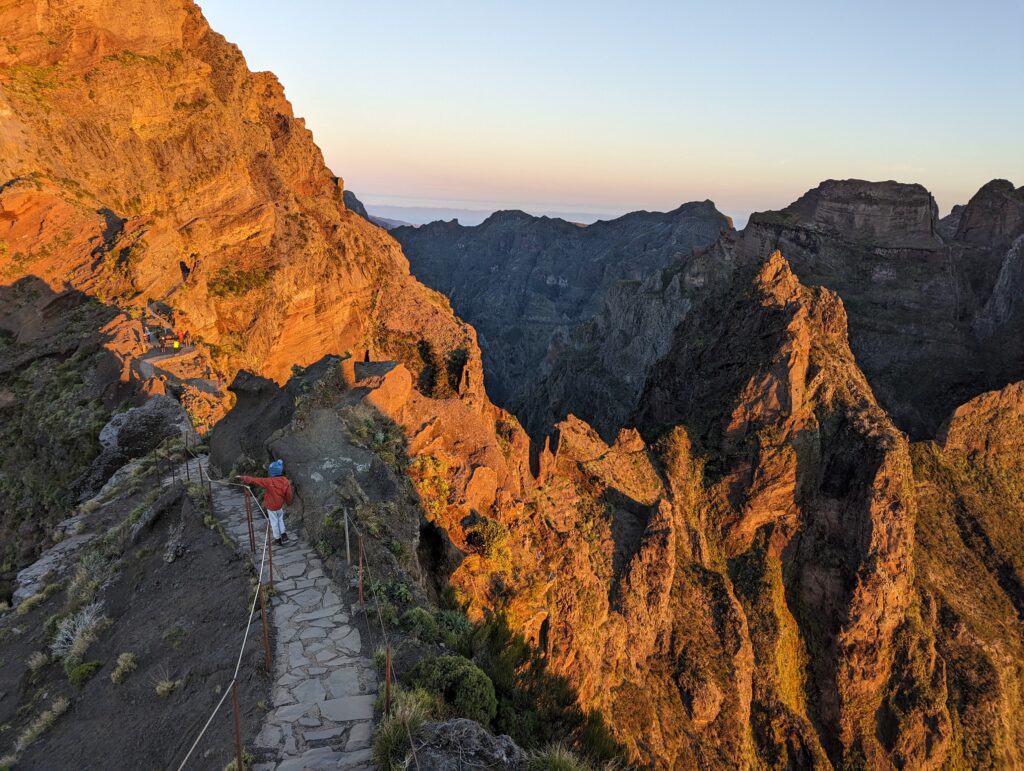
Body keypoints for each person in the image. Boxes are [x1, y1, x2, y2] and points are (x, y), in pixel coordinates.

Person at [238, 460, 293, 545]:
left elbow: (255, 480)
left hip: (271, 506)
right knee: (280, 520)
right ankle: (284, 535)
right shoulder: (285, 481)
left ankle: (277, 538)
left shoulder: (268, 481)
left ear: (272, 472)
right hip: (279, 505)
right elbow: (289, 494)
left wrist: (243, 477)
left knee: (274, 522)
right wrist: (289, 503)